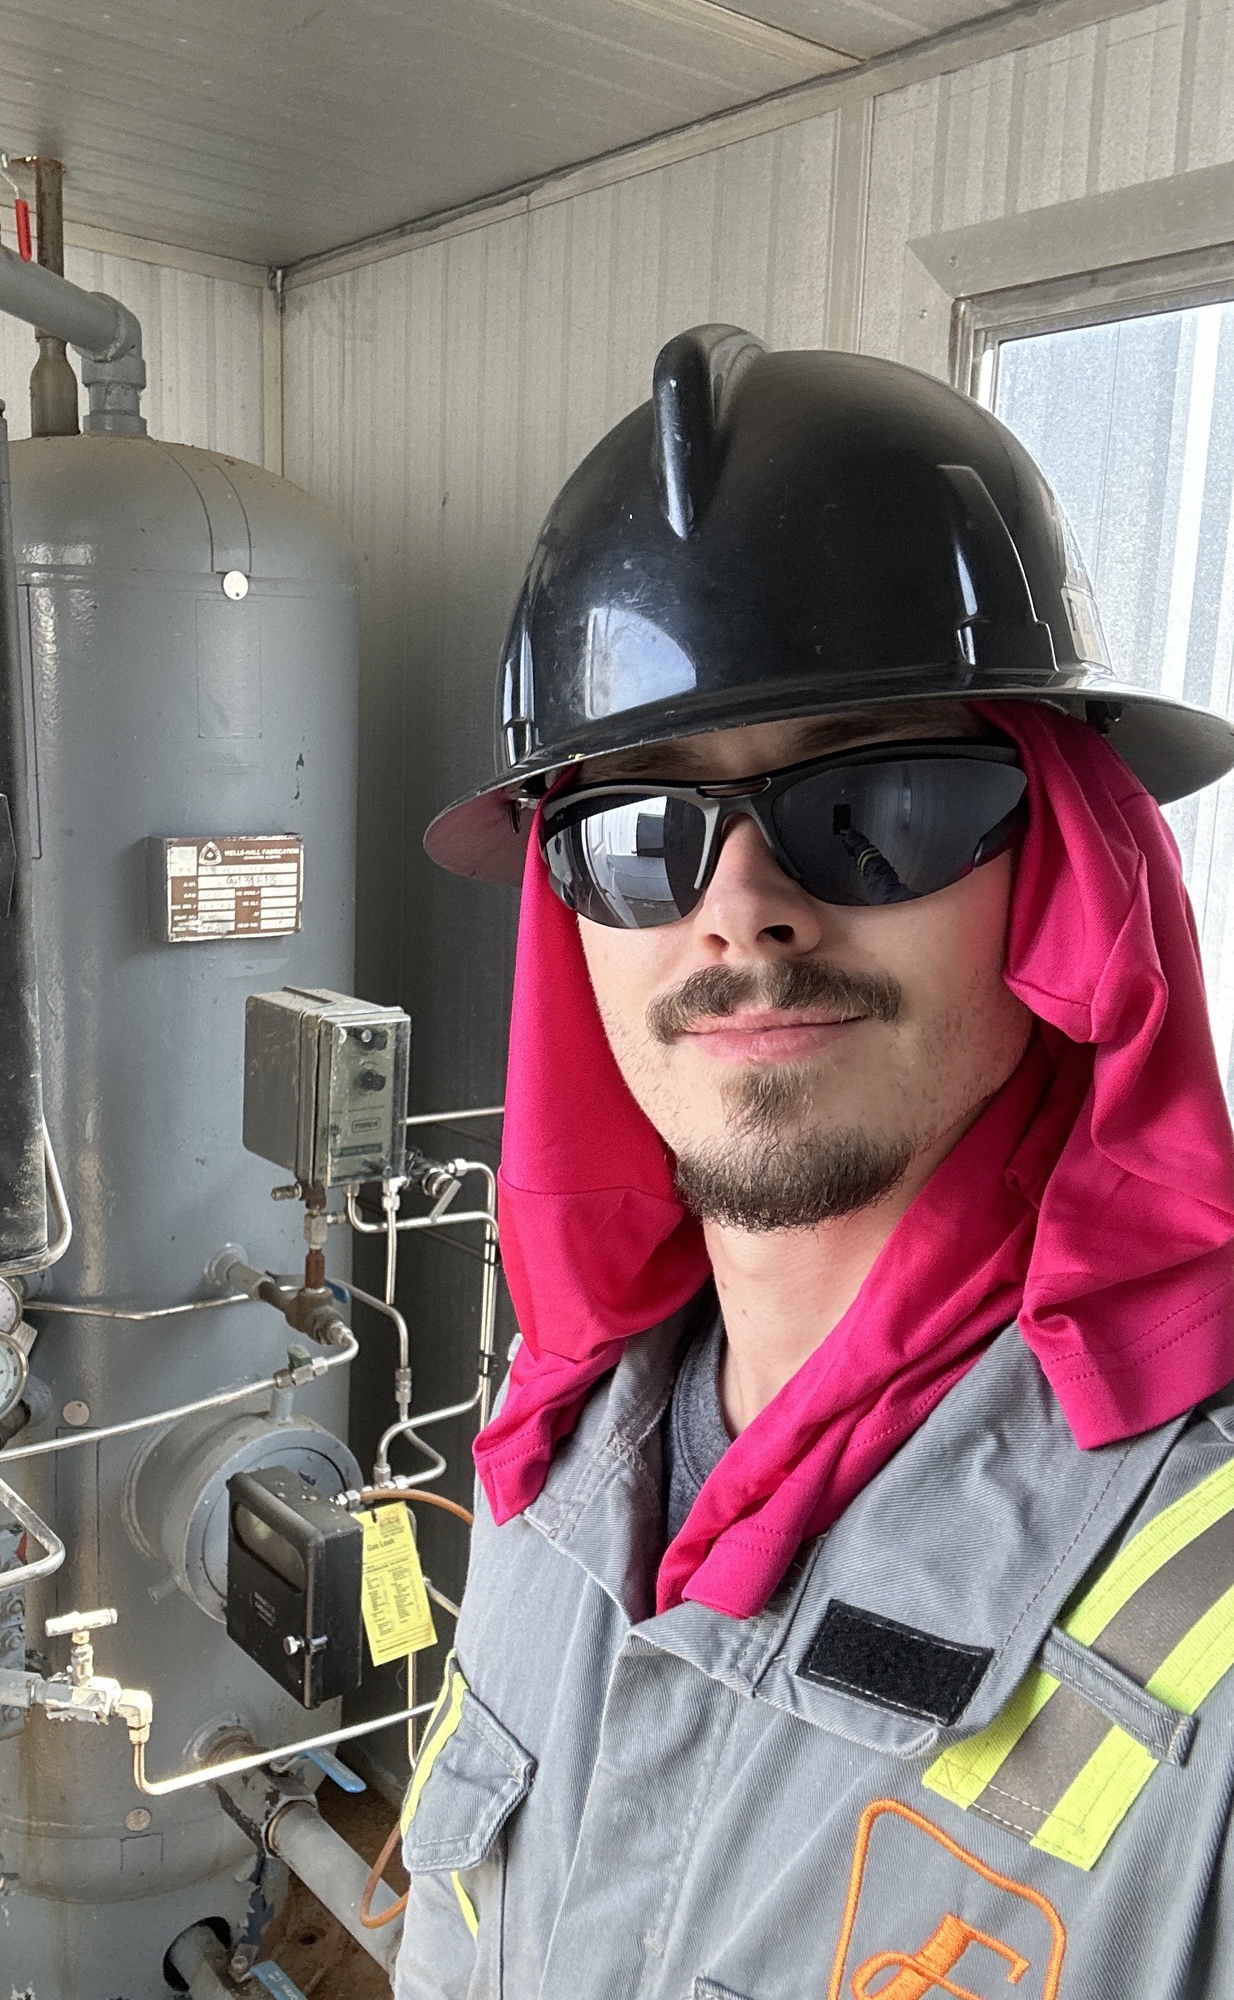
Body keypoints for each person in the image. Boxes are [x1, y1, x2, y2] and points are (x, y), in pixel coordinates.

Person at [392, 327, 1234, 2000]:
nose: (743, 909)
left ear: (1070, 868)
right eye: (642, 833)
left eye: (884, 803)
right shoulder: (559, 1456)